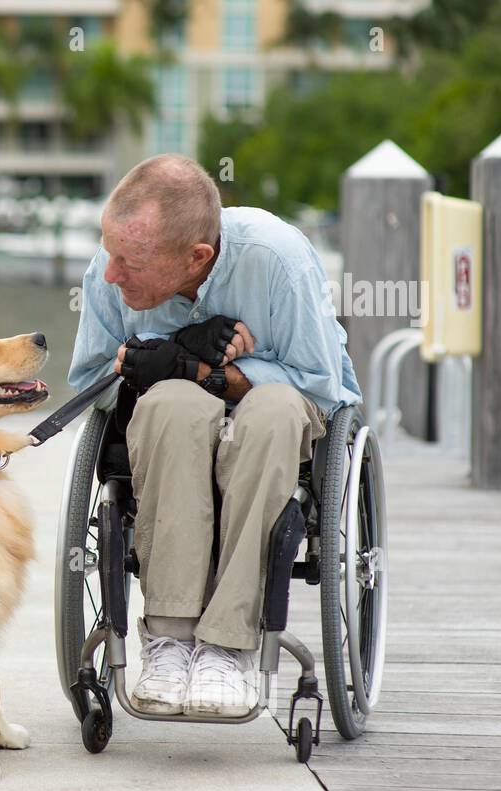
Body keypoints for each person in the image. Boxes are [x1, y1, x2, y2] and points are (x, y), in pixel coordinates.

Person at [67, 154, 361, 717]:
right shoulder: (112, 269)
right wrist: (156, 359)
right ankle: (171, 638)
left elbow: (323, 389)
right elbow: (89, 385)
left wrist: (204, 372)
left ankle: (228, 646)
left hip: (273, 413)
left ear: (197, 257)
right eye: (110, 253)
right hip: (172, 426)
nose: (111, 275)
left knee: (271, 414)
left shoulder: (279, 260)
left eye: (131, 262)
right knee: (172, 407)